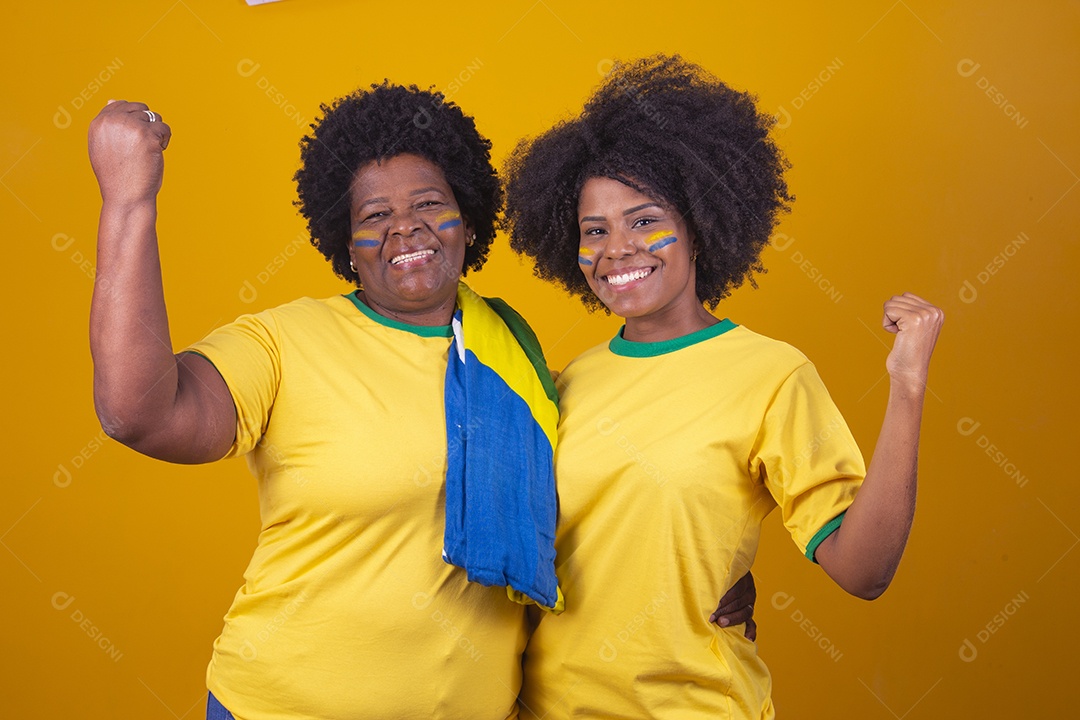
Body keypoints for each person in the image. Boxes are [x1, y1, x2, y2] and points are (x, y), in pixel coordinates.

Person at [87, 83, 754, 719]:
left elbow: (606, 512)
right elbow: (140, 413)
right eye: (375, 215)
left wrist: (694, 582)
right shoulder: (284, 343)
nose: (406, 228)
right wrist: (128, 201)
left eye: (430, 204)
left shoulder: (518, 365)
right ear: (347, 245)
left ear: (467, 221)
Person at [502, 54, 944, 718]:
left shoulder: (769, 375)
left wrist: (907, 385)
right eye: (595, 230)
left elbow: (864, 570)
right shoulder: (566, 383)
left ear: (698, 224)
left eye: (644, 219)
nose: (618, 247)